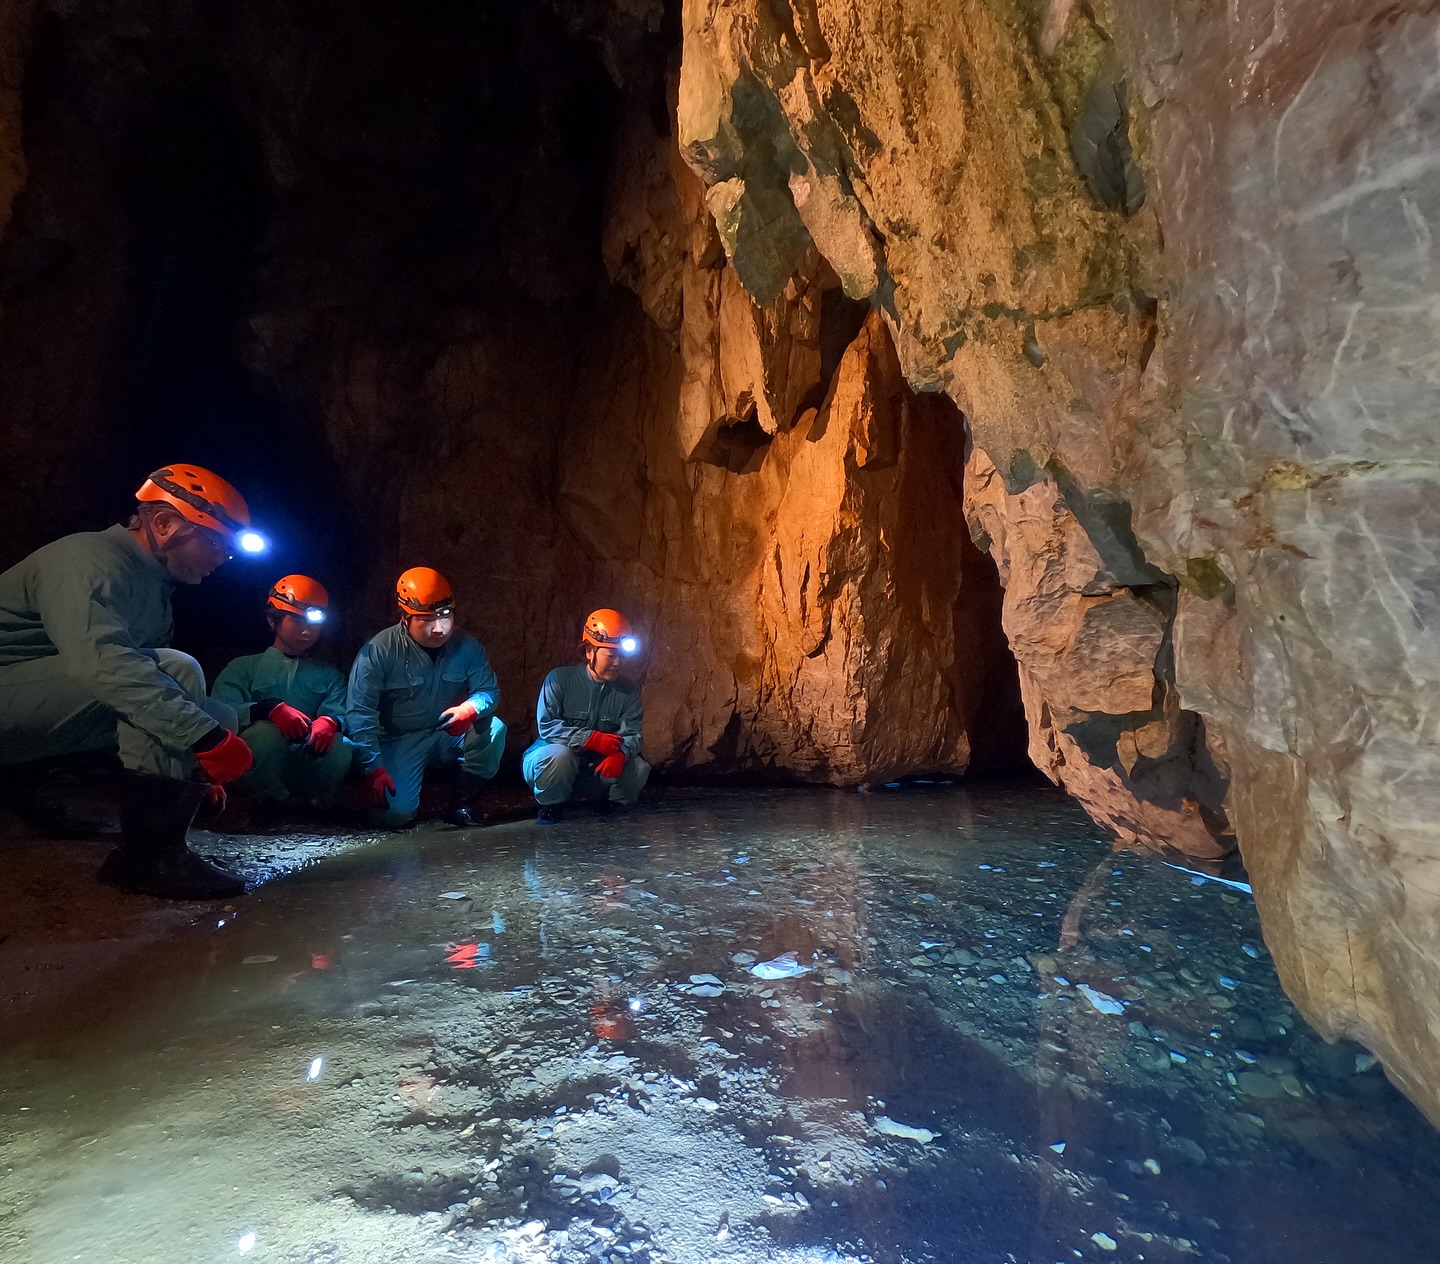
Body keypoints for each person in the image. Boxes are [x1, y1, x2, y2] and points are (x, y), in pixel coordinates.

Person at [0, 464, 266, 898]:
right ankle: (148, 857)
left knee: (210, 710)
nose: (222, 560)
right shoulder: (88, 560)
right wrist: (203, 739)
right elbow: (105, 665)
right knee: (174, 676)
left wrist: (192, 763)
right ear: (164, 523)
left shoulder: (155, 588)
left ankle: (27, 785)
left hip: (30, 700)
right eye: (217, 544)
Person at [347, 567, 505, 828]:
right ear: (405, 617)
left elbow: (489, 691)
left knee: (494, 729)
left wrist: (470, 708)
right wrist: (372, 767)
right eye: (426, 619)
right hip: (398, 740)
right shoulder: (379, 651)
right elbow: (359, 713)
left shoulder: (467, 646)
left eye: (445, 616)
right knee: (394, 815)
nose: (439, 628)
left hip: (445, 733)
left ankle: (461, 803)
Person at [212, 575, 353, 812]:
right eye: (297, 620)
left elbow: (345, 711)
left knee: (339, 743)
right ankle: (266, 799)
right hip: (257, 765)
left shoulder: (328, 674)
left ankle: (314, 804)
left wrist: (331, 721)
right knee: (266, 733)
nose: (307, 630)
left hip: (304, 760)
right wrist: (267, 709)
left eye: (314, 623)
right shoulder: (244, 667)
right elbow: (220, 710)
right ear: (272, 620)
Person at [523, 608, 649, 823]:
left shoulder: (628, 690)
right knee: (558, 755)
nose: (618, 663)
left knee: (638, 768)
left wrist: (620, 754)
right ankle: (551, 804)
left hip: (593, 769)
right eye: (611, 655)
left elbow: (633, 734)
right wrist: (590, 738)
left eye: (621, 656)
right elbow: (547, 727)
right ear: (589, 651)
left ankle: (610, 804)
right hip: (553, 763)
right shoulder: (559, 679)